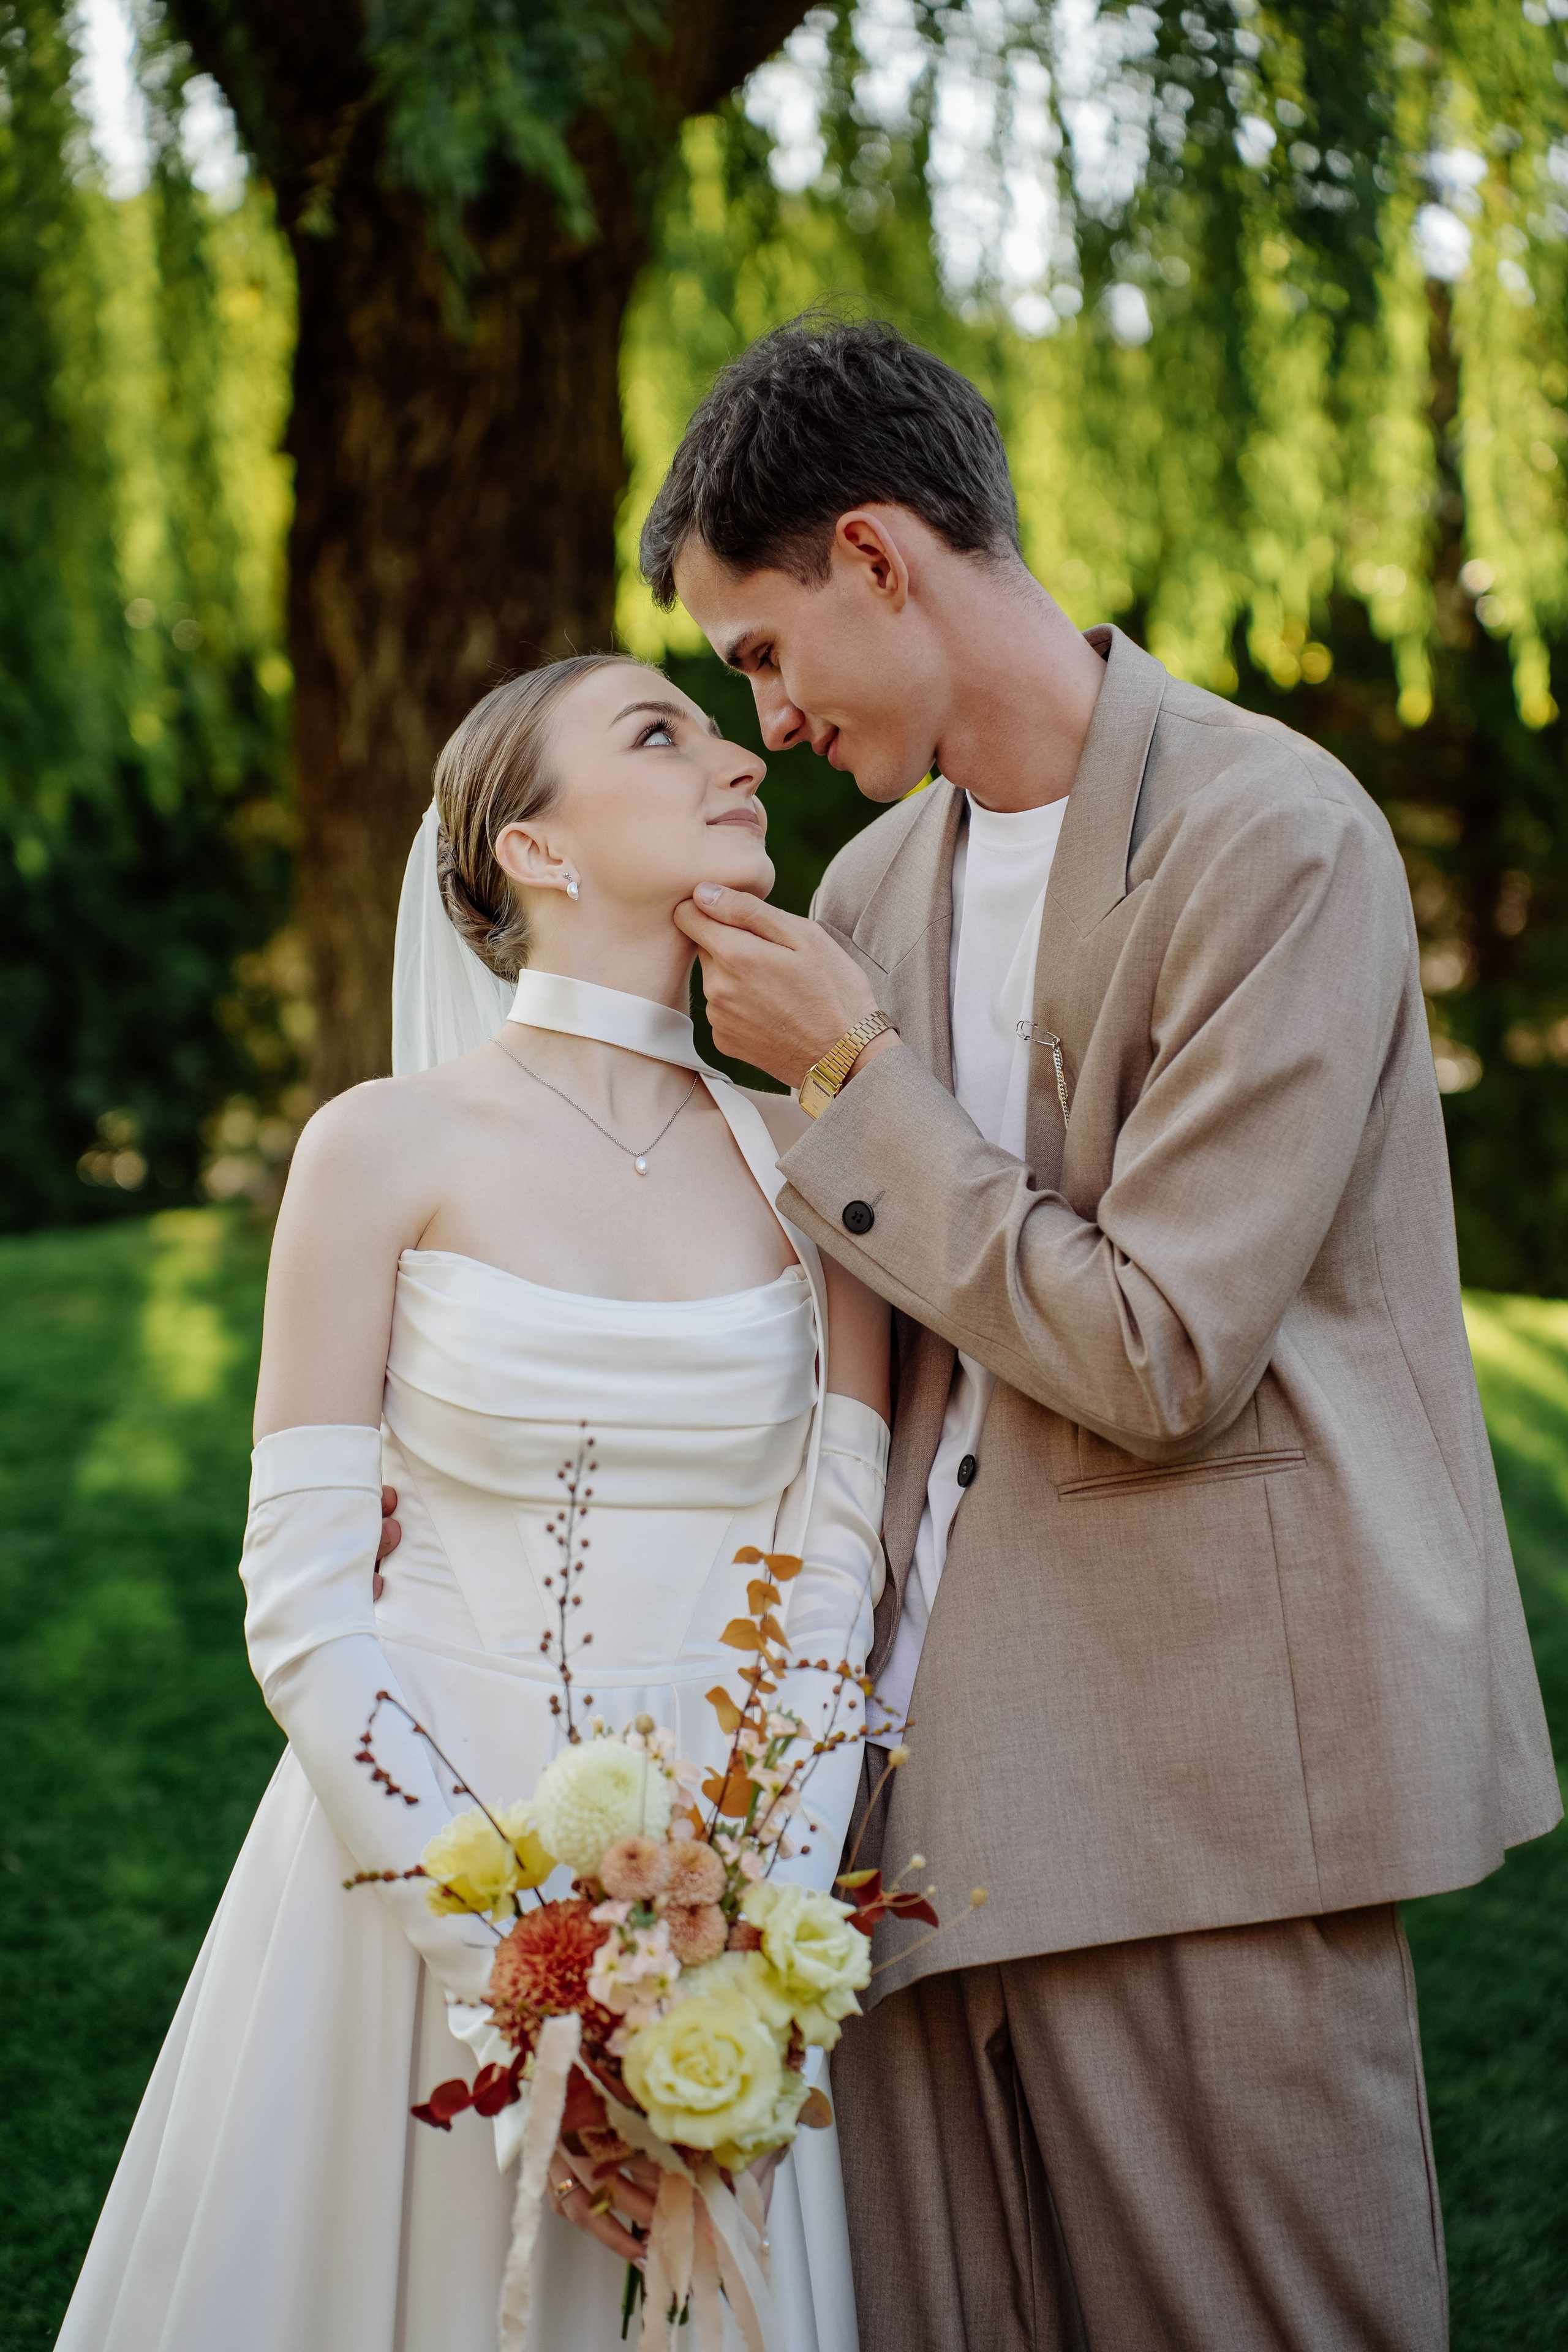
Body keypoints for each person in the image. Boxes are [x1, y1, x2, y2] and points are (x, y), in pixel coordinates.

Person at [638, 315, 1563, 2352]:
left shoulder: (1274, 838)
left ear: (877, 555)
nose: (766, 724)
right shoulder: (875, 886)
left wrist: (860, 1076)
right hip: (900, 1812)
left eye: (764, 653)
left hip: (1207, 1781)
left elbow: (1161, 1348)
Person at [56, 654, 888, 2352]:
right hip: (416, 1845)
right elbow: (301, 1599)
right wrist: (526, 1971)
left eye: (719, 726)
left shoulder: (820, 1167)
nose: (738, 755)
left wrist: (748, 1957)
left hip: (725, 1870)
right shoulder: (379, 1148)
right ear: (537, 851)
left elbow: (839, 1576)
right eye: (660, 731)